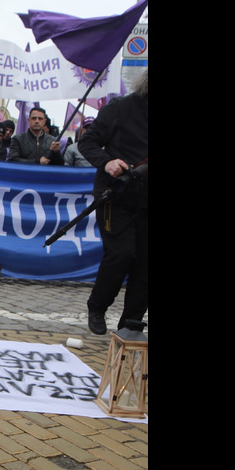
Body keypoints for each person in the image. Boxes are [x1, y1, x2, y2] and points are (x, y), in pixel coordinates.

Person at [79, 70, 148, 335]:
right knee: (121, 254)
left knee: (145, 264)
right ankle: (98, 305)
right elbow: (89, 142)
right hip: (116, 196)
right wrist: (107, 162)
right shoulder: (120, 108)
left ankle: (131, 322)